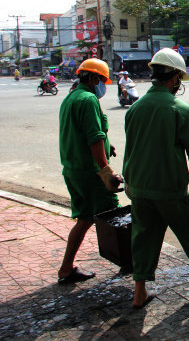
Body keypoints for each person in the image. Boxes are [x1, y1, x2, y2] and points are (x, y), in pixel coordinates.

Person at [123, 48, 189, 308]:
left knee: (142, 237)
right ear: (175, 77)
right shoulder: (180, 109)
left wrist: (129, 180)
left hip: (139, 186)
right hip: (169, 189)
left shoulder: (135, 108)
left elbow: (130, 148)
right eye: (180, 78)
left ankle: (139, 292)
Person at [57, 58, 124, 284]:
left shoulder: (71, 98)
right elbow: (94, 138)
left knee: (84, 219)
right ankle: (130, 264)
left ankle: (66, 269)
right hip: (90, 173)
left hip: (72, 171)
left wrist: (108, 146)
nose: (103, 85)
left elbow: (86, 133)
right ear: (94, 78)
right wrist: (106, 172)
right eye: (102, 80)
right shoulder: (88, 99)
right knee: (114, 217)